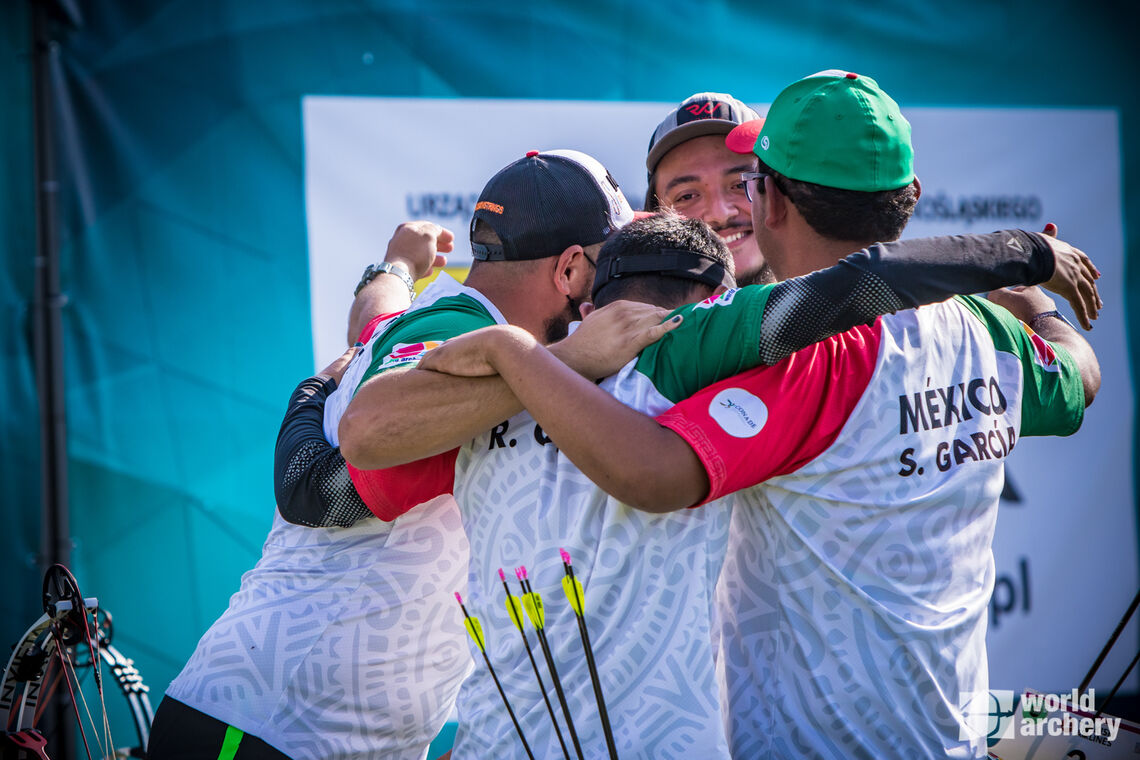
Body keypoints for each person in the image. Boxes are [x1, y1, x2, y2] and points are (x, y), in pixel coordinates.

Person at [413, 71, 1101, 759]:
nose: (720, 208)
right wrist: (1033, 300)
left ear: (768, 200)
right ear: (911, 199)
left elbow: (655, 474)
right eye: (686, 193)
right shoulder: (983, 327)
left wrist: (514, 354)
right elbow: (1080, 380)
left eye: (742, 180)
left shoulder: (803, 360)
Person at [644, 92, 773, 285]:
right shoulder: (614, 313)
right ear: (655, 216)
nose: (720, 214)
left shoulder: (831, 304)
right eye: (687, 196)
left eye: (740, 184)